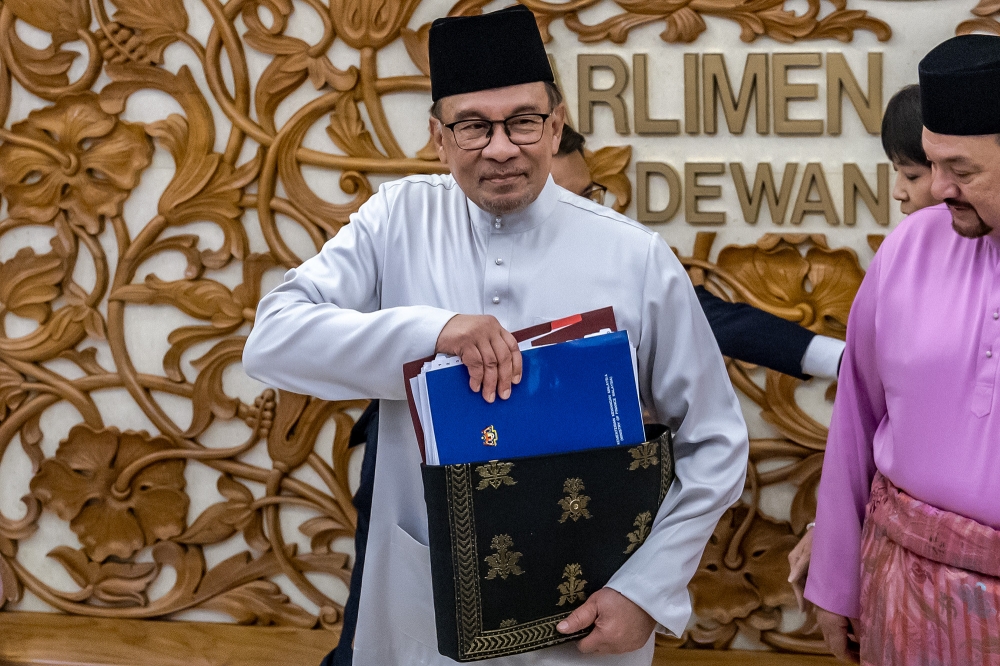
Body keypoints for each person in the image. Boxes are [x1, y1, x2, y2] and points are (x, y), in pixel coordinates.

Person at [244, 5, 749, 665]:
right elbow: (273, 339)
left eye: (523, 121)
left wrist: (647, 590)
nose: (501, 147)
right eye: (474, 126)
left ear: (556, 125)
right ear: (438, 136)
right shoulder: (397, 220)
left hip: (590, 607)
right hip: (426, 600)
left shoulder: (635, 257)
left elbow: (716, 440)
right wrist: (434, 332)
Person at [320, 122, 842, 666]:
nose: (566, 211)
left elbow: (712, 332)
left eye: (582, 195)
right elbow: (300, 331)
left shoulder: (622, 257)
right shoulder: (413, 234)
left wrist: (838, 358)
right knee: (372, 622)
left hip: (566, 508)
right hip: (416, 473)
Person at [804, 34, 1000, 664]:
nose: (938, 189)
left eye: (962, 171)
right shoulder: (910, 248)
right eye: (931, 164)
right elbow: (856, 418)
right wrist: (835, 579)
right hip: (901, 595)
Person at [785, 82, 942, 604]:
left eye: (911, 175)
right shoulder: (897, 260)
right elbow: (864, 426)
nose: (898, 191)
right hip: (901, 574)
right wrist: (832, 537)